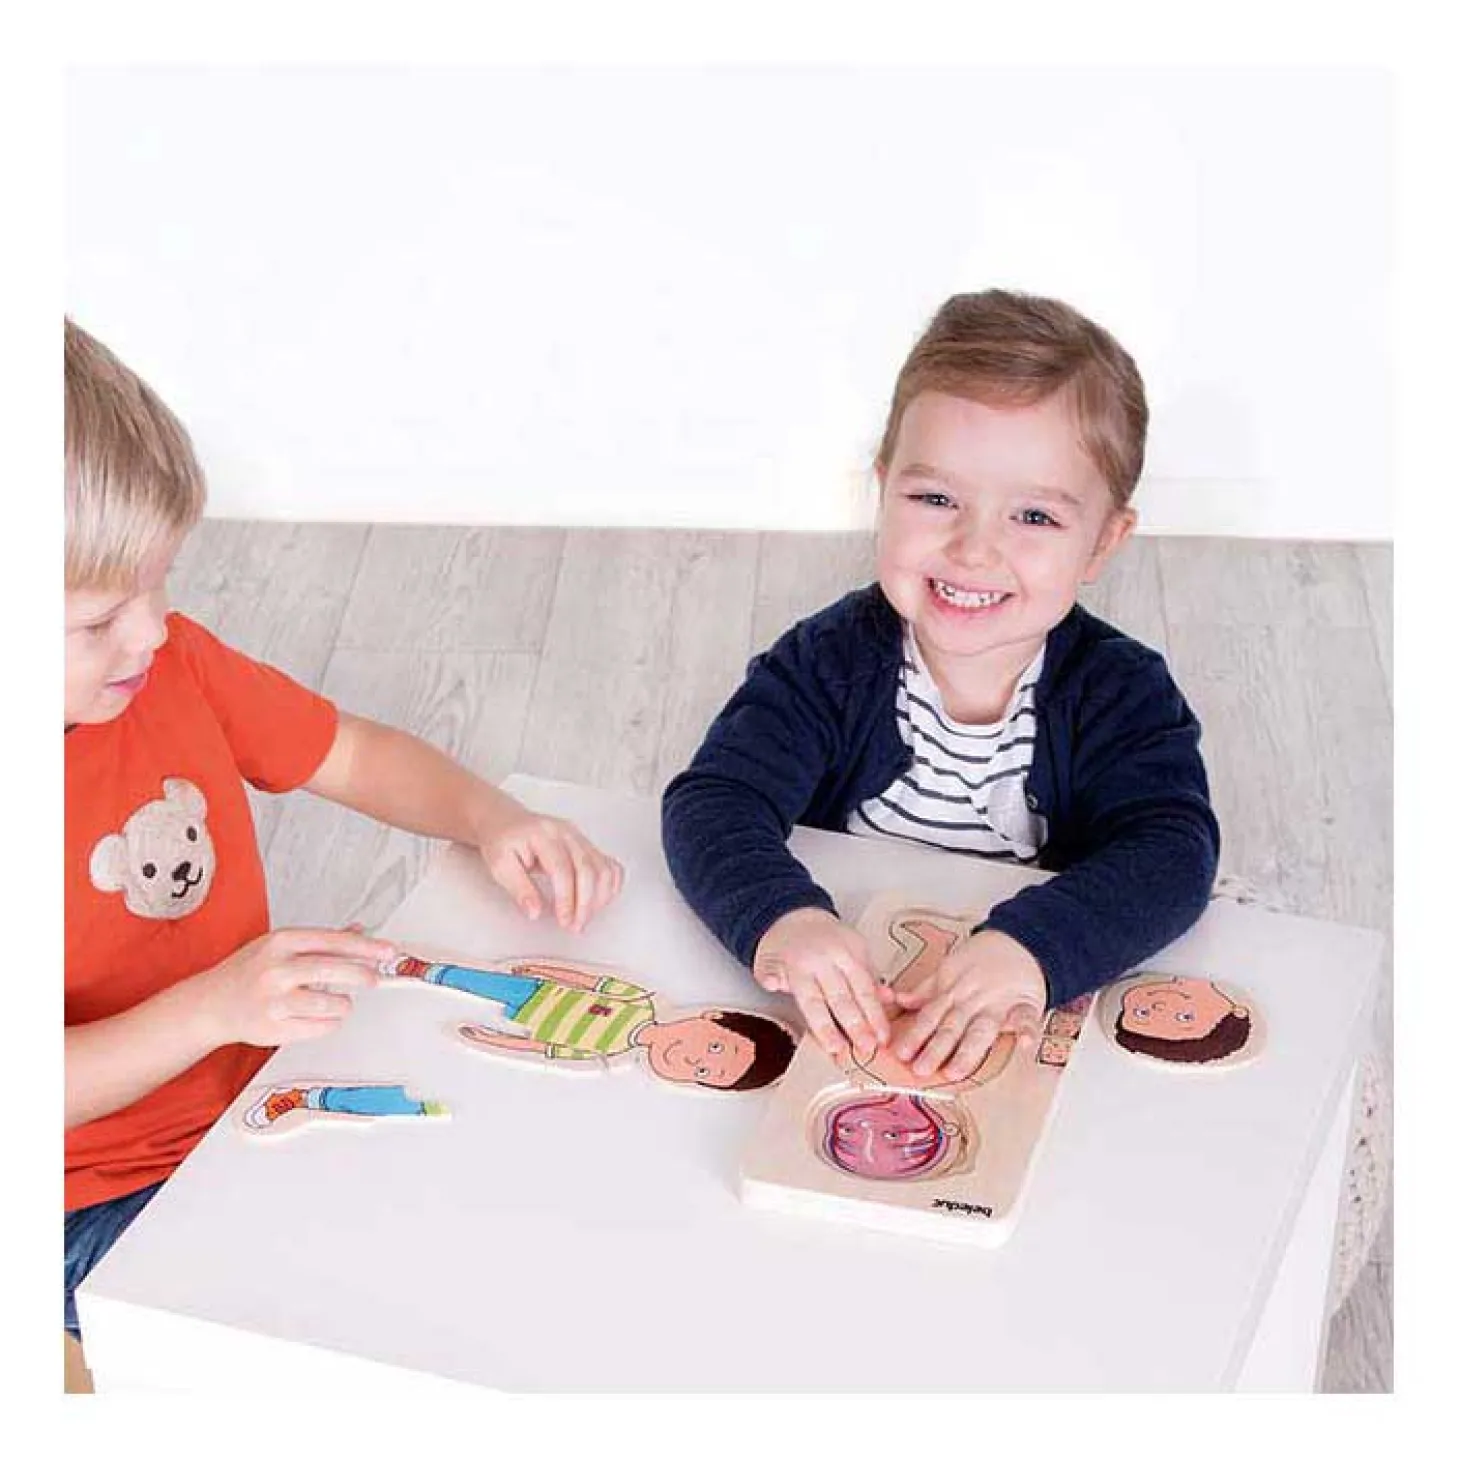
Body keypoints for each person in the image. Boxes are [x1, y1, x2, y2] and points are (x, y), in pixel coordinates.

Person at [63, 320, 622, 1360]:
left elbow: (350, 752)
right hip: (83, 1199)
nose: (150, 629)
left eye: (159, 580)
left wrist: (488, 815)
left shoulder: (169, 665)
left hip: (252, 1094)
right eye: (96, 620)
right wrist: (216, 1006)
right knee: (338, 1324)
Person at [662, 289, 1219, 1089]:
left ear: (1103, 541)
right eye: (935, 499)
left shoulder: (1122, 692)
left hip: (1022, 1002)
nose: (973, 549)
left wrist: (1031, 950)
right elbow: (714, 803)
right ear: (883, 490)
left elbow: (1172, 854)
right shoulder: (827, 661)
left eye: (1034, 517)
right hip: (851, 989)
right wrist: (785, 919)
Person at [382, 954, 796, 1090]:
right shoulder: (642, 1001)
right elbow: (592, 982)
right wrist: (544, 969)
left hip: (527, 1019)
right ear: (715, 1017)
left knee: (481, 990)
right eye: (715, 1047)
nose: (692, 1059)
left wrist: (493, 1039)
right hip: (539, 992)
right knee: (476, 981)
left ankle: (424, 971)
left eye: (704, 1072)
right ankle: (422, 969)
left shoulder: (609, 1054)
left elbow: (545, 1050)